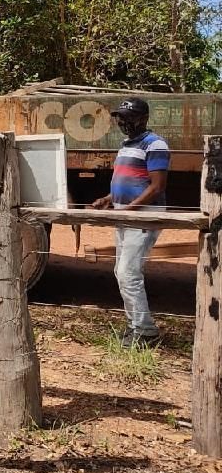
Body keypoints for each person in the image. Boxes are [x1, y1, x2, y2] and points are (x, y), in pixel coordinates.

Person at [92, 97, 169, 346]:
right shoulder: (126, 145)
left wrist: (130, 210)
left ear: (144, 118)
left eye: (129, 117)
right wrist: (108, 199)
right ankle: (136, 326)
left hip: (142, 216)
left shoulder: (155, 144)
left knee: (128, 272)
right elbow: (127, 181)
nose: (123, 122)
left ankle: (145, 332)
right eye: (120, 118)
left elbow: (157, 187)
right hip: (126, 215)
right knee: (121, 272)